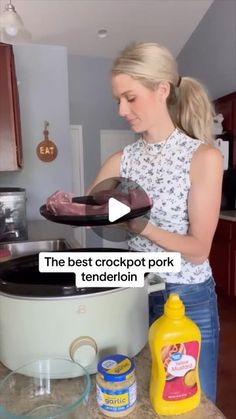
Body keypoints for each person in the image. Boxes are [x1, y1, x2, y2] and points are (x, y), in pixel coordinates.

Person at [87, 42, 223, 403]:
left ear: (162, 89)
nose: (121, 110)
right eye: (118, 99)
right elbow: (92, 212)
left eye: (130, 98)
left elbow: (198, 250)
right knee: (143, 394)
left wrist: (138, 225)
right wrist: (81, 207)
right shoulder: (122, 160)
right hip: (133, 290)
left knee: (193, 401)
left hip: (187, 298)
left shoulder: (203, 157)